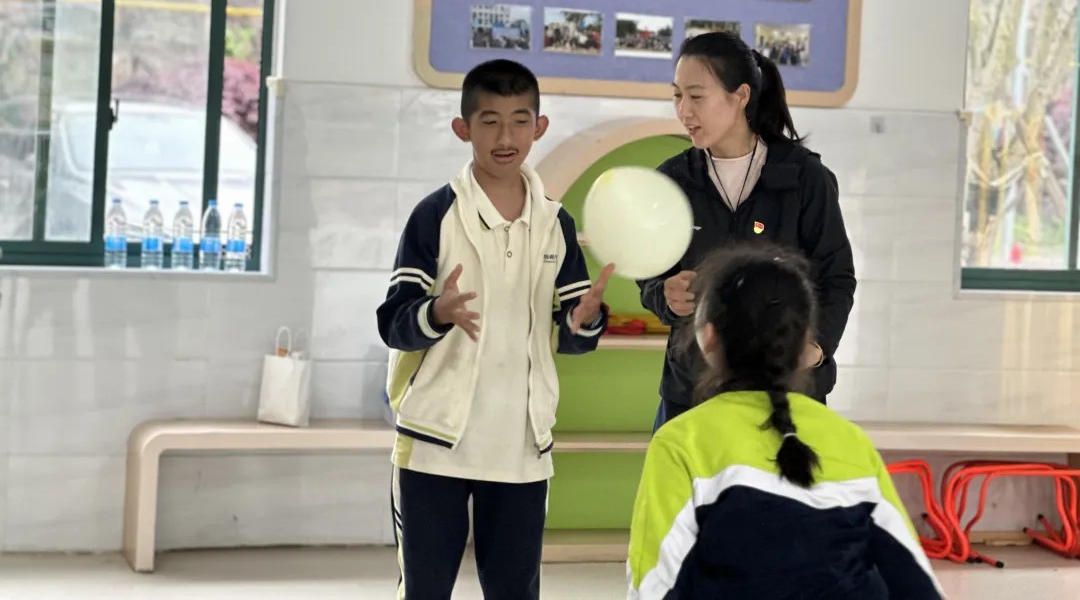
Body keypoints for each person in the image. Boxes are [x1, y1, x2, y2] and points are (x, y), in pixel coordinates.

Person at [376, 59, 614, 600]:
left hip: (521, 447)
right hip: (434, 442)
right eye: (490, 122)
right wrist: (437, 313)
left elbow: (572, 334)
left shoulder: (556, 223)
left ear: (539, 127)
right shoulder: (434, 216)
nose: (506, 138)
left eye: (519, 121)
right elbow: (393, 323)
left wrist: (584, 322)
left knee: (515, 590)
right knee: (424, 589)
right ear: (463, 129)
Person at [627, 245, 944, 599]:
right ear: (805, 342)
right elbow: (916, 584)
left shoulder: (681, 442)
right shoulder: (850, 441)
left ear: (708, 336)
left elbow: (654, 584)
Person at [638, 31, 855, 429]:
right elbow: (651, 277)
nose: (684, 110)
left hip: (787, 393)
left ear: (740, 96)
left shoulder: (804, 178)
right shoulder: (673, 180)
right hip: (692, 395)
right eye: (677, 96)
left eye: (696, 96)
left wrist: (816, 347)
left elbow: (836, 276)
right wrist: (664, 295)